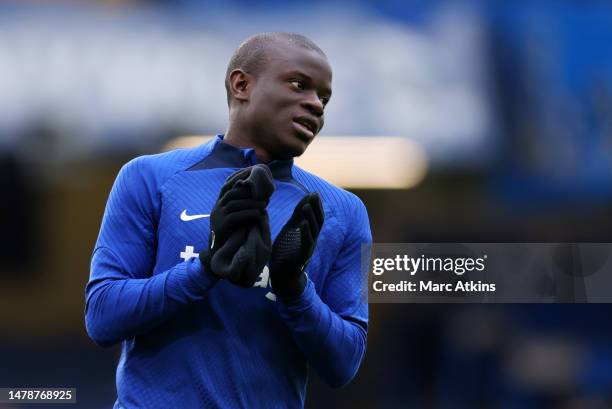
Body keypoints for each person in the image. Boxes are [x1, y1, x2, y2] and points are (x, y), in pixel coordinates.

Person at [85, 32, 372, 408]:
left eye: (324, 97)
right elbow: (102, 317)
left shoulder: (342, 211)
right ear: (241, 84)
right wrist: (205, 269)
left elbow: (344, 365)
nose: (316, 104)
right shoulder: (148, 178)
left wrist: (294, 288)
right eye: (299, 85)